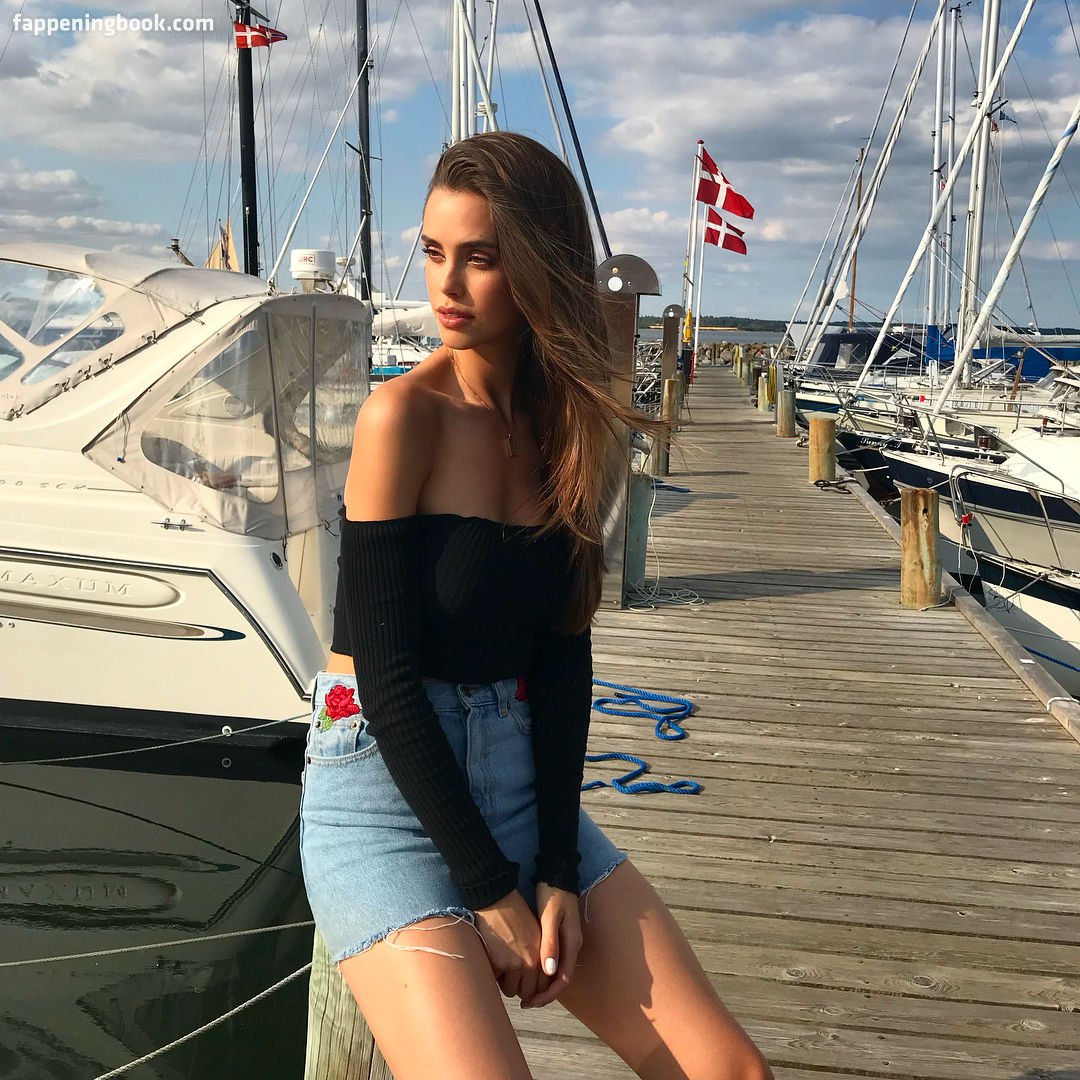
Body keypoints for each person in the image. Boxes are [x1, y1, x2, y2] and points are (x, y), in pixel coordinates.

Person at [299, 130, 773, 1080]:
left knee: (731, 1072)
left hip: (518, 766)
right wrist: (489, 889)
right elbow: (388, 683)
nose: (447, 285)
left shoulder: (573, 425)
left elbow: (561, 655)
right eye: (434, 252)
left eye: (481, 258)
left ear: (538, 267)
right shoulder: (401, 418)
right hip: (385, 787)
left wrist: (555, 865)